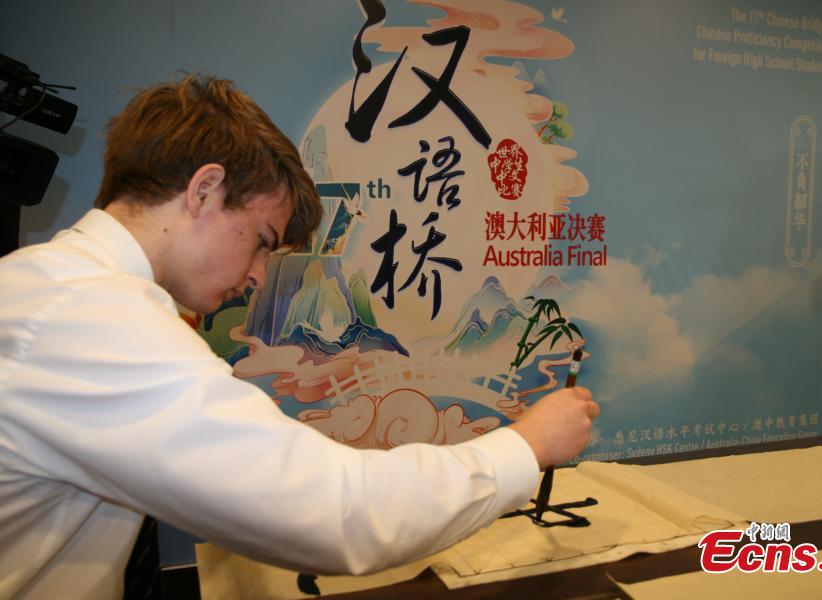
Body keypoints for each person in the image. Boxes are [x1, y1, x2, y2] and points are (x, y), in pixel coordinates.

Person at [0, 74, 599, 598]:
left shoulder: (57, 290)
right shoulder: (93, 319)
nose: (260, 276)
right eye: (263, 240)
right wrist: (527, 445)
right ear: (204, 191)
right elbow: (336, 513)